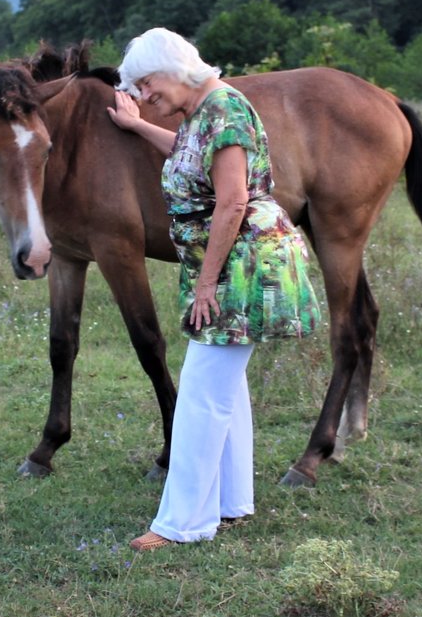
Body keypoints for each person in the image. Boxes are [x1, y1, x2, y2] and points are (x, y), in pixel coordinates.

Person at [106, 27, 319, 551]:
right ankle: (230, 502)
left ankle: (182, 524)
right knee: (224, 387)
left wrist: (207, 284)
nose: (144, 95)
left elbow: (232, 202)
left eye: (147, 83)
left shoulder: (223, 111)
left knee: (201, 392)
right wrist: (137, 128)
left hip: (243, 265)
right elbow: (186, 152)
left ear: (176, 66)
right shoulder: (203, 113)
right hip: (232, 261)